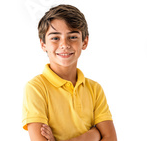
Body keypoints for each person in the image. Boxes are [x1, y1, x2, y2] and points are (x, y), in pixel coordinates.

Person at [22, 4, 117, 141]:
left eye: (72, 37)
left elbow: (111, 138)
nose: (64, 44)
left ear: (84, 42)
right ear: (43, 45)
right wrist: (92, 136)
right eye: (55, 38)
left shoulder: (95, 89)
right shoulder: (36, 88)